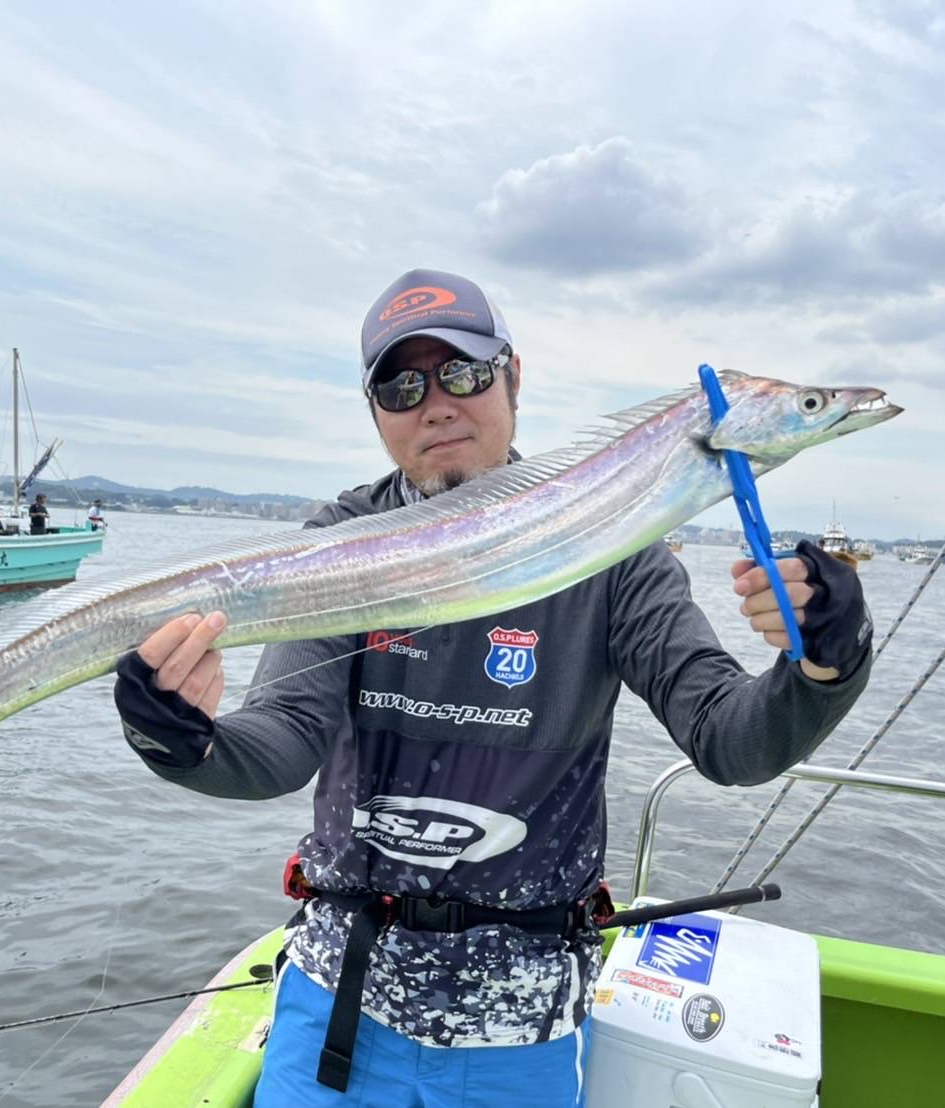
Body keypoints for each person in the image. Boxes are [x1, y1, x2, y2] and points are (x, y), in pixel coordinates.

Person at [112, 269, 876, 1107]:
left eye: (464, 372)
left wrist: (825, 663)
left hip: (521, 1028)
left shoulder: (615, 545)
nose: (435, 403)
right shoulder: (344, 544)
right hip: (334, 1002)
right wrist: (180, 739)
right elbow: (280, 745)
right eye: (401, 385)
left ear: (513, 377)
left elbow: (732, 741)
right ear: (377, 416)